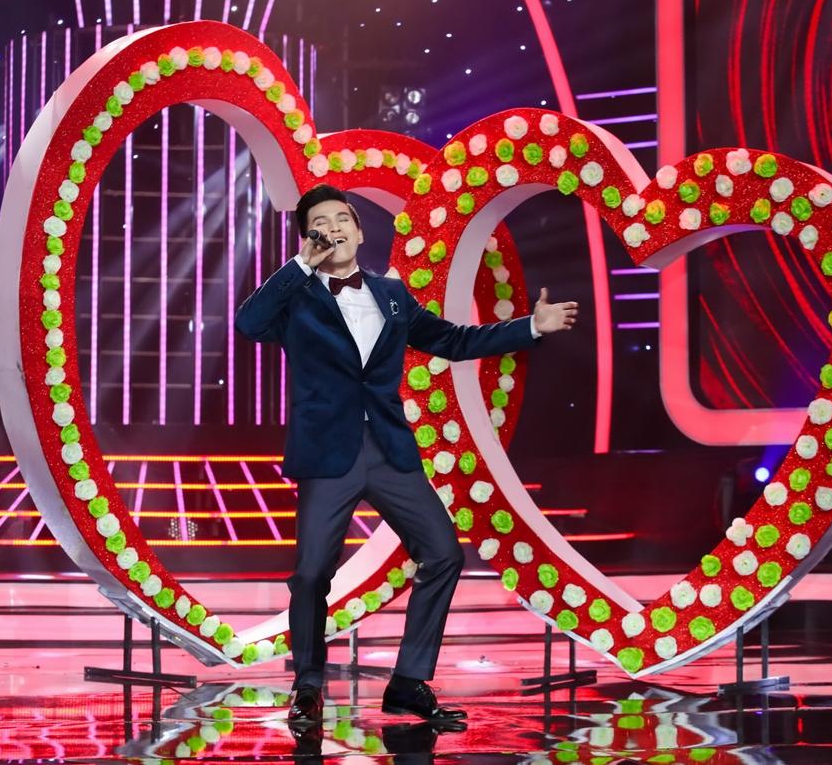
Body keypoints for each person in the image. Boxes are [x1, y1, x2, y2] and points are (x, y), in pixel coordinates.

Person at [234, 184, 578, 727]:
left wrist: (532, 326)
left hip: (389, 449)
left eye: (342, 218)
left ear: (359, 230)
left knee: (443, 553)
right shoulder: (295, 296)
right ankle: (308, 686)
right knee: (311, 574)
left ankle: (408, 682)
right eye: (321, 222)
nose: (334, 228)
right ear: (309, 237)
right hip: (328, 453)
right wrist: (300, 266)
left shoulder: (392, 295)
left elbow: (453, 340)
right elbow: (248, 324)